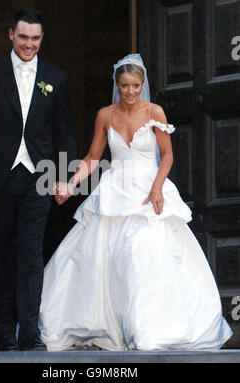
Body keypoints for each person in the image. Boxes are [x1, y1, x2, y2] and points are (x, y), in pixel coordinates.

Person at [39, 54, 232, 351]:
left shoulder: (155, 111)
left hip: (147, 190)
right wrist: (70, 183)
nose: (130, 92)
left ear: (143, 85)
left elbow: (167, 154)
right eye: (125, 86)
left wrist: (157, 188)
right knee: (107, 259)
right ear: (117, 85)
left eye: (136, 86)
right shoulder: (105, 114)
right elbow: (93, 158)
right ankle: (111, 326)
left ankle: (145, 329)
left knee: (142, 258)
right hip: (115, 189)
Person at [0, 8, 76, 351]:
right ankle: (3, 334)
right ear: (11, 35)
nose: (29, 44)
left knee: (30, 255)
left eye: (35, 38)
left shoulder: (56, 77)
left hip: (38, 178)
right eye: (23, 37)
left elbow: (64, 134)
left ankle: (30, 334)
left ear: (42, 38)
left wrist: (64, 178)